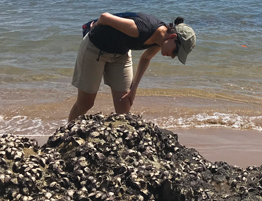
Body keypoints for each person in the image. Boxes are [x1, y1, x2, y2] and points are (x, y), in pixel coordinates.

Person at [68, 12, 196, 122]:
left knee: (124, 103)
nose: (173, 56)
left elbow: (146, 58)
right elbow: (105, 17)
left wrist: (133, 89)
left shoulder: (160, 41)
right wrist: (95, 26)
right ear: (173, 37)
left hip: (120, 54)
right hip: (95, 49)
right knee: (86, 104)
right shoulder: (141, 28)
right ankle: (66, 136)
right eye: (175, 52)